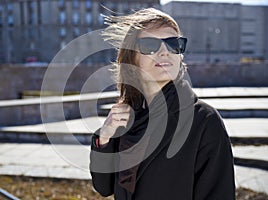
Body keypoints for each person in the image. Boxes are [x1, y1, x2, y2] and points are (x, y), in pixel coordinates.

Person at [90, 8, 235, 200]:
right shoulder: (127, 118)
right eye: (150, 45)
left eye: (174, 44)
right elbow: (103, 186)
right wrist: (106, 137)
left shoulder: (204, 120)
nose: (165, 52)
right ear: (131, 57)